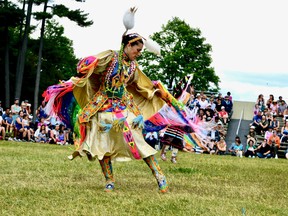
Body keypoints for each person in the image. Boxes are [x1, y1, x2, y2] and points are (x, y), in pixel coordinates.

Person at [43, 30, 169, 193]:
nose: (138, 54)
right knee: (103, 145)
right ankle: (109, 180)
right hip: (101, 105)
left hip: (123, 106)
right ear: (129, 45)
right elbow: (89, 64)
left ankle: (159, 175)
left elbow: (142, 85)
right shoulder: (111, 56)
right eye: (137, 50)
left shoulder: (132, 66)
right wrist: (89, 63)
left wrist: (154, 94)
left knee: (136, 141)